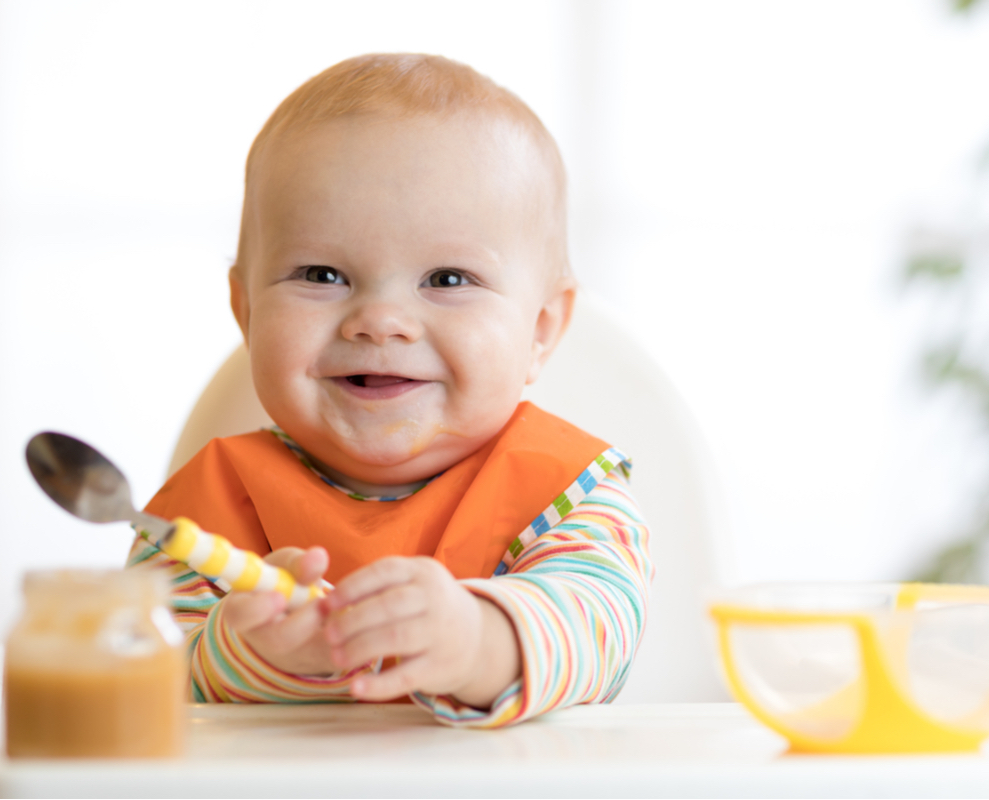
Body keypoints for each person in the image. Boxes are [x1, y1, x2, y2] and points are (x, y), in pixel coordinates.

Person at [127, 53, 652, 728]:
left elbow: (599, 626)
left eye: (449, 280)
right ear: (247, 312)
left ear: (541, 331)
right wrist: (242, 654)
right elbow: (138, 679)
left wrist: (476, 640)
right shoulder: (203, 513)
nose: (380, 321)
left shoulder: (568, 492)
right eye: (321, 274)